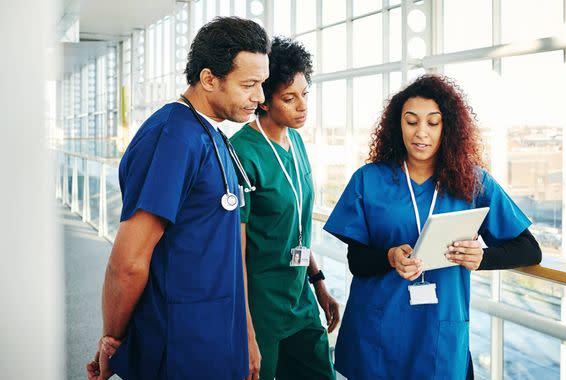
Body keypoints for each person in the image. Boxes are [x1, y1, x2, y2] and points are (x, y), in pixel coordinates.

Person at [85, 17, 270, 380]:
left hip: (218, 337)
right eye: (249, 85)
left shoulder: (211, 133)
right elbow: (129, 262)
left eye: (261, 84)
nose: (260, 97)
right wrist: (113, 337)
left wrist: (244, 334)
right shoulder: (172, 137)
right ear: (208, 79)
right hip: (181, 345)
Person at [323, 74, 542, 379]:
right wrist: (389, 257)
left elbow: (530, 249)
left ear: (447, 128)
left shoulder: (474, 183)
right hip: (379, 330)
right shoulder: (368, 180)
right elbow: (356, 261)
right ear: (397, 126)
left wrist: (482, 258)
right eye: (411, 121)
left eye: (433, 122)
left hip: (438, 331)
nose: (420, 133)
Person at [230, 36, 339, 380]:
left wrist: (319, 284)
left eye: (305, 94)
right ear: (263, 100)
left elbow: (300, 229)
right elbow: (236, 253)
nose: (302, 106)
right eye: (289, 98)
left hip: (300, 299)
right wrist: (246, 334)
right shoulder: (242, 154)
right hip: (260, 307)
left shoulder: (296, 141)